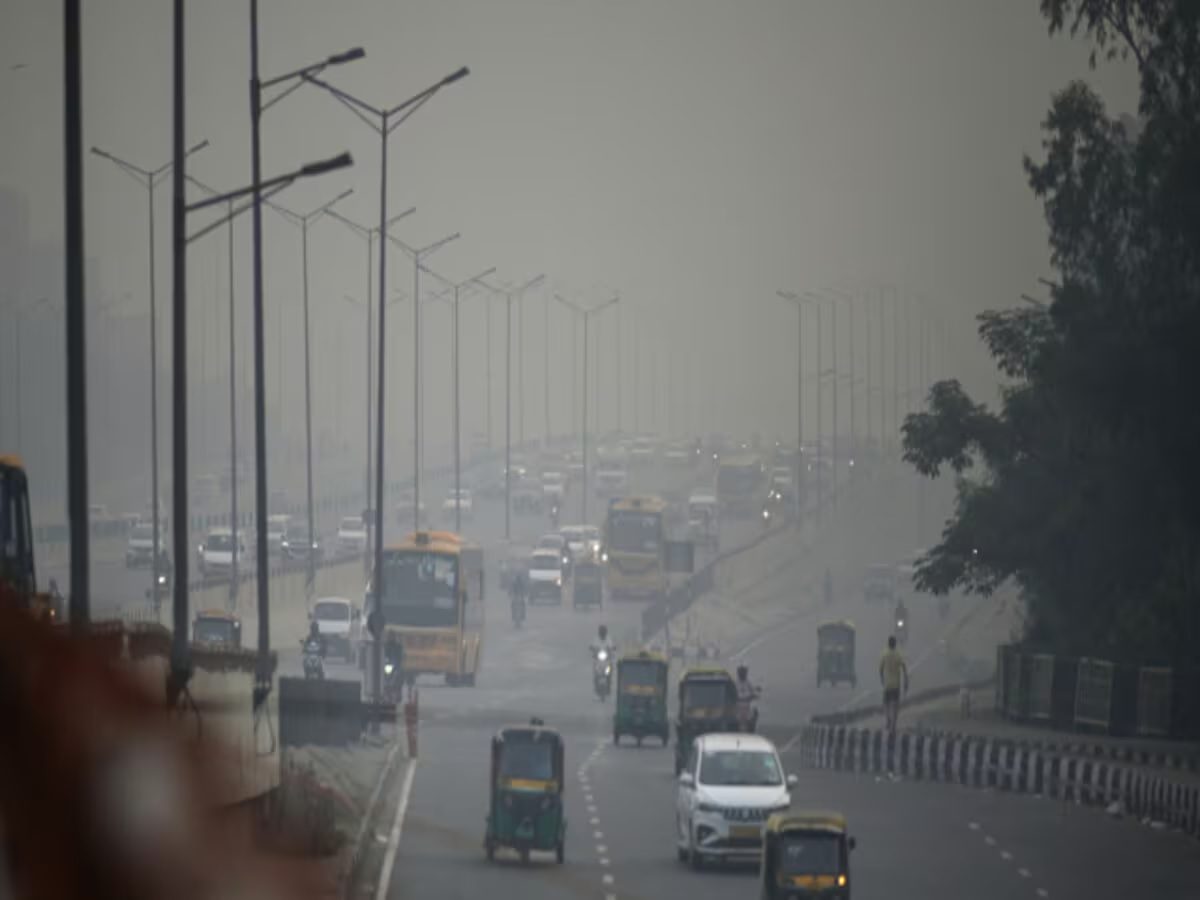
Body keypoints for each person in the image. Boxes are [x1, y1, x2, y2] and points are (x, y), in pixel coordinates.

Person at [879, 636, 909, 733]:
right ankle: (893, 725)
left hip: (887, 684)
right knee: (895, 705)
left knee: (886, 703)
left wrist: (882, 679)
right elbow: (904, 667)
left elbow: (880, 668)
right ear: (895, 644)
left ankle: (888, 718)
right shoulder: (898, 655)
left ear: (888, 644)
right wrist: (906, 680)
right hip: (896, 685)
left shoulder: (884, 654)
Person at [735, 664, 760, 732]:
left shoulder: (748, 683)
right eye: (741, 672)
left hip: (747, 704)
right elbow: (732, 692)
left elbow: (754, 691)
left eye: (744, 672)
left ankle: (752, 727)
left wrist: (754, 695)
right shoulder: (735, 683)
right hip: (738, 705)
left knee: (755, 711)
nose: (742, 674)